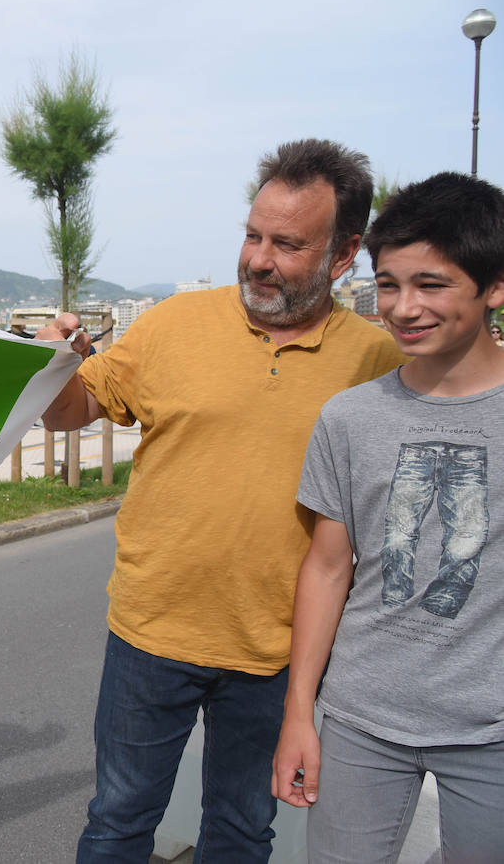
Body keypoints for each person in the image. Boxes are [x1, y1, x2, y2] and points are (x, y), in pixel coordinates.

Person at [37, 138, 406, 863]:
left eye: (288, 244)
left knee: (240, 834)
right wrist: (52, 365)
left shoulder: (377, 361)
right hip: (150, 633)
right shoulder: (175, 322)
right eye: (252, 234)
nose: (259, 259)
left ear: (343, 255)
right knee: (117, 821)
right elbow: (69, 411)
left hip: (278, 656)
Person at [271, 173, 504, 862]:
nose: (403, 308)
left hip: (491, 730)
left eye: (432, 285)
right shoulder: (350, 417)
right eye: (389, 284)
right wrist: (298, 713)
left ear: (495, 286)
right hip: (360, 720)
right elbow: (327, 566)